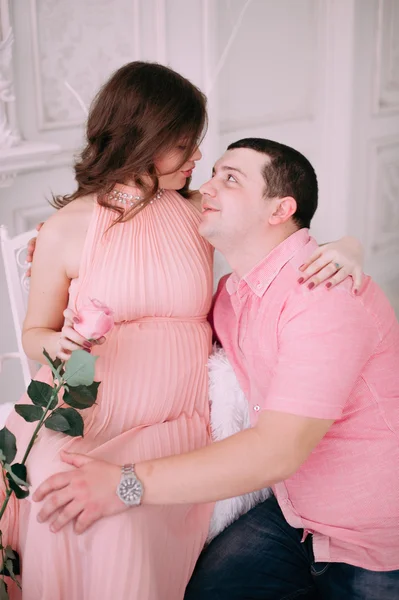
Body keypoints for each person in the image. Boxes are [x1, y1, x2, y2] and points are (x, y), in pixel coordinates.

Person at [4, 62, 361, 599]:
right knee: (58, 496)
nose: (199, 159)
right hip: (88, 410)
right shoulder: (68, 228)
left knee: (119, 522)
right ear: (142, 140)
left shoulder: (198, 212)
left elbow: (279, 234)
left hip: (175, 418)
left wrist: (347, 246)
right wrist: (52, 343)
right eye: (186, 145)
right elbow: (35, 331)